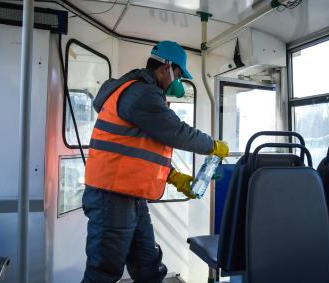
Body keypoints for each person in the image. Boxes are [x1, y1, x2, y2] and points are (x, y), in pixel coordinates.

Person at [81, 40, 229, 283]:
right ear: (166, 68)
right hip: (112, 198)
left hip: (130, 197)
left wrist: (173, 177)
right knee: (103, 273)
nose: (177, 82)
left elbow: (141, 150)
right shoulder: (141, 93)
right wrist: (212, 146)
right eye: (179, 75)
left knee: (148, 266)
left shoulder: (141, 94)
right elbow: (176, 132)